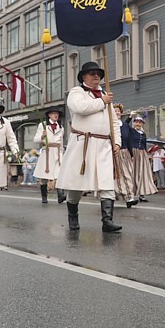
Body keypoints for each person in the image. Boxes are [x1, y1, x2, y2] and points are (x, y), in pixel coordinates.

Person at [56, 62, 122, 232]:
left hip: (103, 144)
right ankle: (73, 215)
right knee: (76, 184)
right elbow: (80, 108)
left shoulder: (104, 94)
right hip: (82, 144)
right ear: (83, 77)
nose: (96, 77)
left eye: (98, 74)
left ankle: (107, 221)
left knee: (107, 182)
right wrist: (102, 101)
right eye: (92, 74)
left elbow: (114, 121)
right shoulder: (76, 92)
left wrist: (117, 142)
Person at [33, 108, 66, 204]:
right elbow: (35, 139)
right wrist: (42, 137)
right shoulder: (43, 125)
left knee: (59, 174)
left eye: (57, 114)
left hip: (57, 153)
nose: (56, 115)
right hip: (46, 152)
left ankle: (60, 195)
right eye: (54, 113)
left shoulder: (61, 127)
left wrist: (62, 153)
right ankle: (44, 196)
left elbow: (61, 142)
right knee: (44, 177)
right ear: (49, 115)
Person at [130, 113, 158, 202]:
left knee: (142, 174)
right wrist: (130, 154)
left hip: (142, 154)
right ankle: (131, 194)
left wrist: (146, 155)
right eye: (137, 122)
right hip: (133, 153)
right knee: (133, 173)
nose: (138, 124)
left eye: (140, 122)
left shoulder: (143, 134)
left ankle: (142, 194)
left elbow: (144, 145)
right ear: (134, 123)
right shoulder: (131, 131)